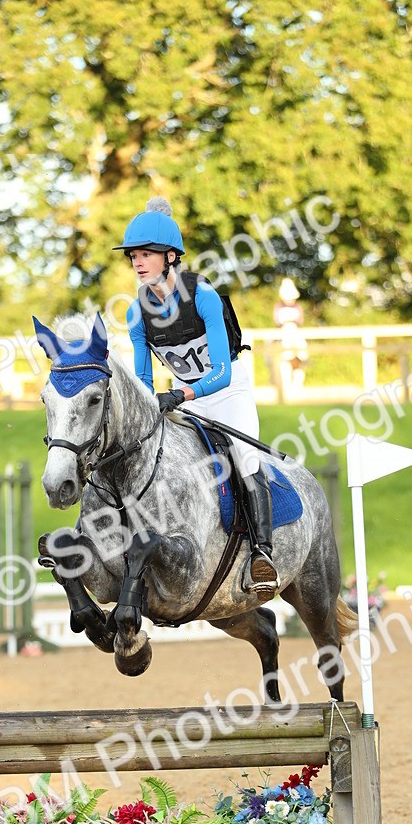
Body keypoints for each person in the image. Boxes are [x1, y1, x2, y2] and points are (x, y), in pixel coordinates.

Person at [116, 197, 279, 600]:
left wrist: (182, 393)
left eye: (147, 254)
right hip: (182, 398)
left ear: (171, 257)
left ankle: (262, 554)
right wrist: (146, 404)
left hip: (227, 390)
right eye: (133, 255)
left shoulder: (203, 295)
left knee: (244, 458)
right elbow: (142, 377)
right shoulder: (137, 314)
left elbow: (221, 372)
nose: (138, 262)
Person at [274, 277, 308, 398]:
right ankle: (286, 387)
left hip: (296, 336)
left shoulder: (298, 307)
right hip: (284, 337)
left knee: (301, 360)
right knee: (284, 360)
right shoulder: (279, 307)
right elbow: (277, 321)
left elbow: (300, 321)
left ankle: (297, 387)